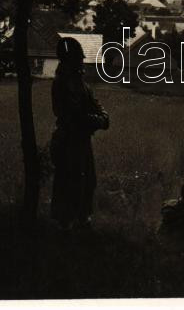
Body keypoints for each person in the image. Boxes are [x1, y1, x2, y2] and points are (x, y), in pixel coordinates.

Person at [50, 36, 109, 230]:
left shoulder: (79, 82)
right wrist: (99, 120)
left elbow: (94, 103)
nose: (82, 61)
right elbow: (74, 115)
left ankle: (81, 222)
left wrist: (103, 116)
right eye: (78, 58)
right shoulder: (62, 83)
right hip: (68, 140)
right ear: (70, 60)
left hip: (80, 140)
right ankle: (66, 226)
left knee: (87, 181)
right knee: (70, 183)